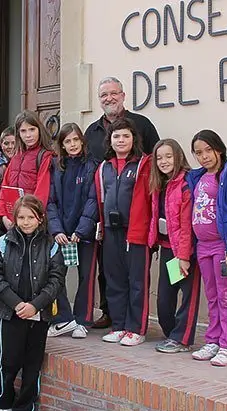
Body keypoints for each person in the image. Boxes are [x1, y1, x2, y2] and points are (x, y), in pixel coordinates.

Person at [0, 195, 66, 411]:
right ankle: (5, 402)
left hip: (38, 316)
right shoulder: (2, 243)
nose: (26, 222)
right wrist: (16, 303)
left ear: (40, 219)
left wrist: (36, 305)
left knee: (32, 365)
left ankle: (24, 410)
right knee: (8, 363)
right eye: (21, 217)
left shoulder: (51, 246)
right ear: (14, 219)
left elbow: (56, 280)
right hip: (11, 314)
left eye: (31, 217)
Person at [85, 77, 160, 329]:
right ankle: (111, 315)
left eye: (113, 93)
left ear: (123, 95)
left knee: (135, 276)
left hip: (136, 221)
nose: (109, 98)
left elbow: (156, 167)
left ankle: (134, 324)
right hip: (105, 216)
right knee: (109, 272)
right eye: (104, 95)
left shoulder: (143, 125)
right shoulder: (92, 132)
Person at [187, 130, 227, 367]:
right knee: (212, 295)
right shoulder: (198, 177)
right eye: (198, 153)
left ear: (218, 149)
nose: (204, 157)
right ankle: (213, 340)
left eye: (207, 150)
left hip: (225, 247)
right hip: (203, 247)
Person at [94, 118, 152, 346]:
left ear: (133, 139)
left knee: (137, 281)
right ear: (110, 140)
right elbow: (100, 199)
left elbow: (148, 200)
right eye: (116, 136)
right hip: (110, 231)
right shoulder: (103, 167)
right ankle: (118, 326)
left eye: (125, 136)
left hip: (135, 232)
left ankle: (136, 328)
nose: (121, 140)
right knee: (114, 280)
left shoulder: (143, 165)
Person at [147, 139, 202, 353]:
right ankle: (171, 334)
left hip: (186, 250)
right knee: (165, 298)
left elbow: (187, 223)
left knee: (188, 295)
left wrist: (184, 256)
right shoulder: (160, 183)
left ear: (178, 156)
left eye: (168, 156)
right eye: (159, 158)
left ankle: (182, 339)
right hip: (168, 247)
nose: (164, 161)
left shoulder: (186, 182)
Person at [46, 123, 99, 339]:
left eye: (76, 140)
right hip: (61, 235)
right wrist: (57, 230)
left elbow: (93, 200)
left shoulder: (92, 166)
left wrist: (81, 230)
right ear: (62, 145)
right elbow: (51, 202)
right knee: (55, 275)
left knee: (86, 277)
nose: (72, 144)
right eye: (68, 141)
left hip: (83, 234)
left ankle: (82, 320)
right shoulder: (57, 167)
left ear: (82, 141)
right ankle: (63, 319)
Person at [0, 110, 53, 231]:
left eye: (32, 129)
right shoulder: (16, 156)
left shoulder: (45, 156)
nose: (28, 135)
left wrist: (28, 218)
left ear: (39, 130)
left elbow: (42, 192)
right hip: (12, 220)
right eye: (23, 131)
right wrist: (3, 215)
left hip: (31, 221)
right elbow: (5, 188)